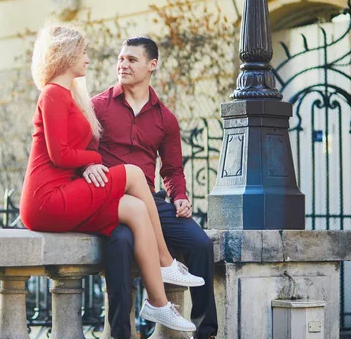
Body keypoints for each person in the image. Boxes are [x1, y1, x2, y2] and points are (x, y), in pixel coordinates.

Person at [19, 24, 205, 332]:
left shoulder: (71, 96)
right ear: (65, 55)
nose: (88, 59)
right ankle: (165, 261)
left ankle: (158, 304)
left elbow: (75, 149)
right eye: (83, 52)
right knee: (132, 175)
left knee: (135, 209)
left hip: (67, 192)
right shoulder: (53, 94)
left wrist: (88, 163)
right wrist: (93, 161)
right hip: (47, 199)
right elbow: (60, 154)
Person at [84, 37, 218, 339]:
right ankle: (121, 333)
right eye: (121, 59)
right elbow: (84, 152)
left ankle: (205, 332)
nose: (123, 64)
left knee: (201, 244)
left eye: (132, 59)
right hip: (112, 201)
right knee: (119, 245)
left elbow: (172, 170)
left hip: (150, 201)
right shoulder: (98, 107)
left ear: (152, 65)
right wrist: (88, 165)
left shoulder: (165, 119)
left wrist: (180, 196)